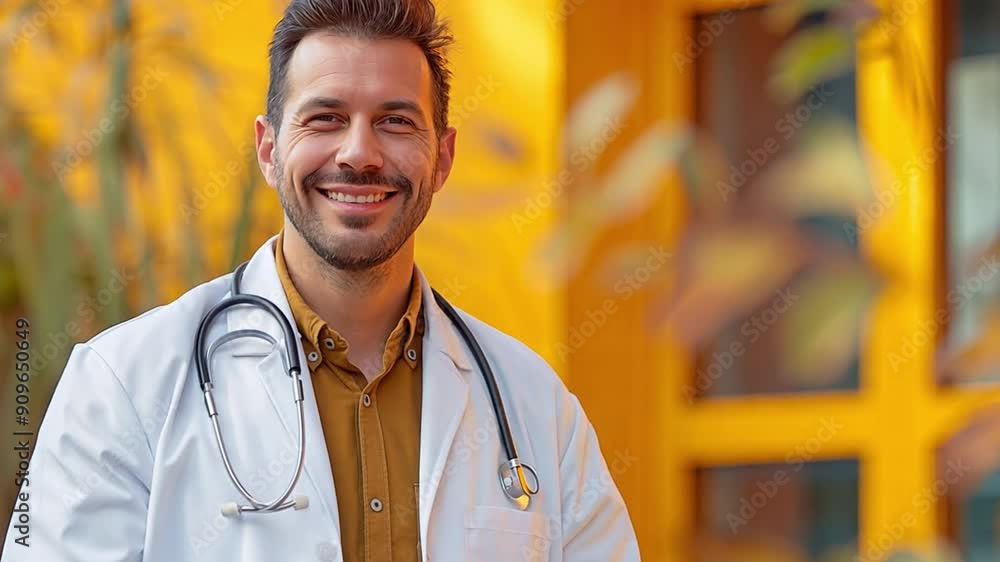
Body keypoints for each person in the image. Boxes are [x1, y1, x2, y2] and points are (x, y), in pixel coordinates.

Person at [2, 0, 640, 560]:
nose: (359, 153)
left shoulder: (536, 409)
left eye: (395, 120)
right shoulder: (124, 386)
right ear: (269, 148)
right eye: (325, 118)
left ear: (442, 157)